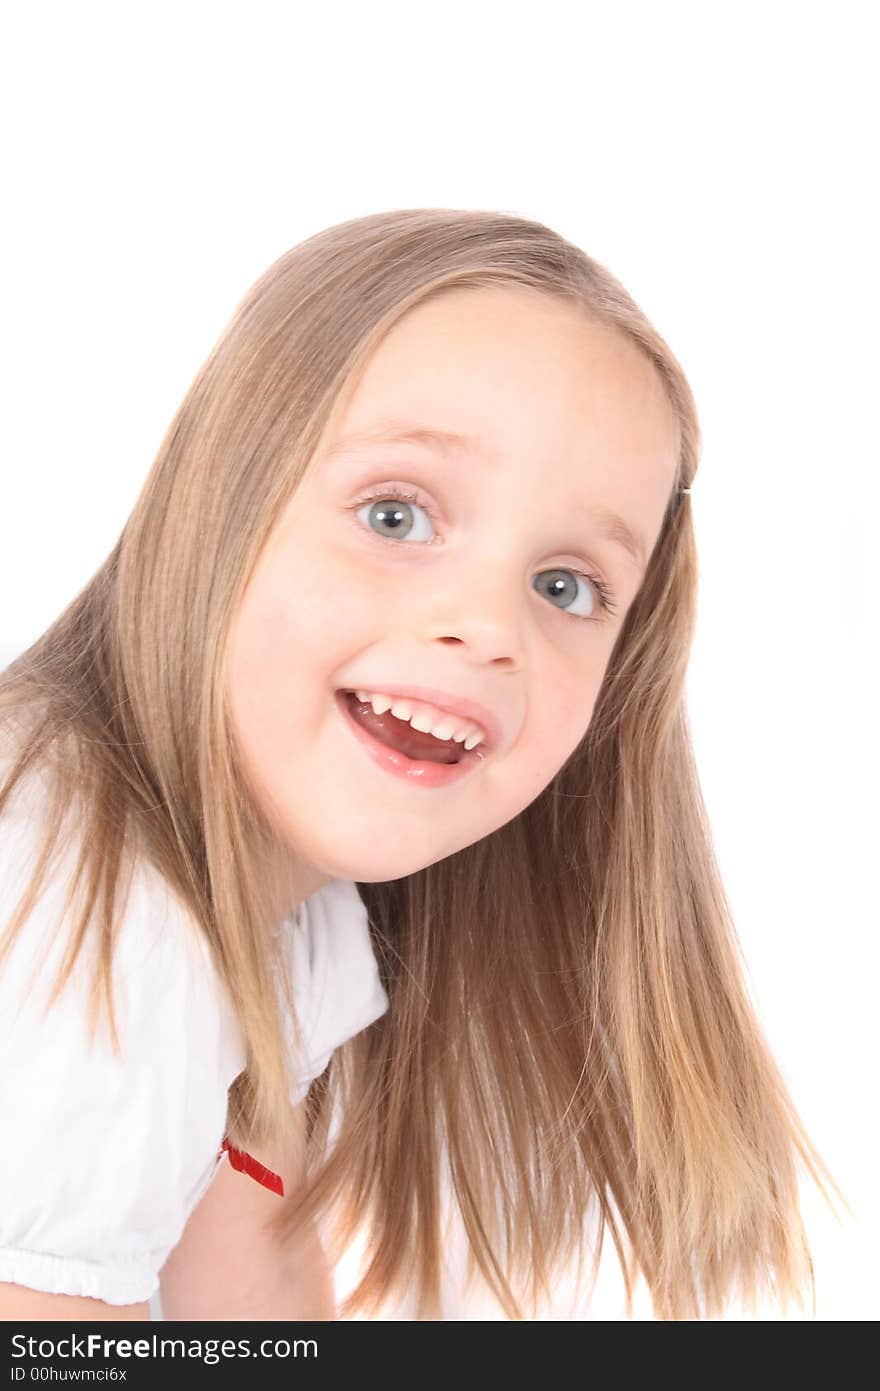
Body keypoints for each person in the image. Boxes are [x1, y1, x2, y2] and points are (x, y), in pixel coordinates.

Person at [0, 209, 842, 1322]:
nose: (488, 626)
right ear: (216, 499)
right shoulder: (81, 900)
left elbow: (250, 1298)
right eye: (394, 514)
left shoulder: (286, 923)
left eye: (564, 586)